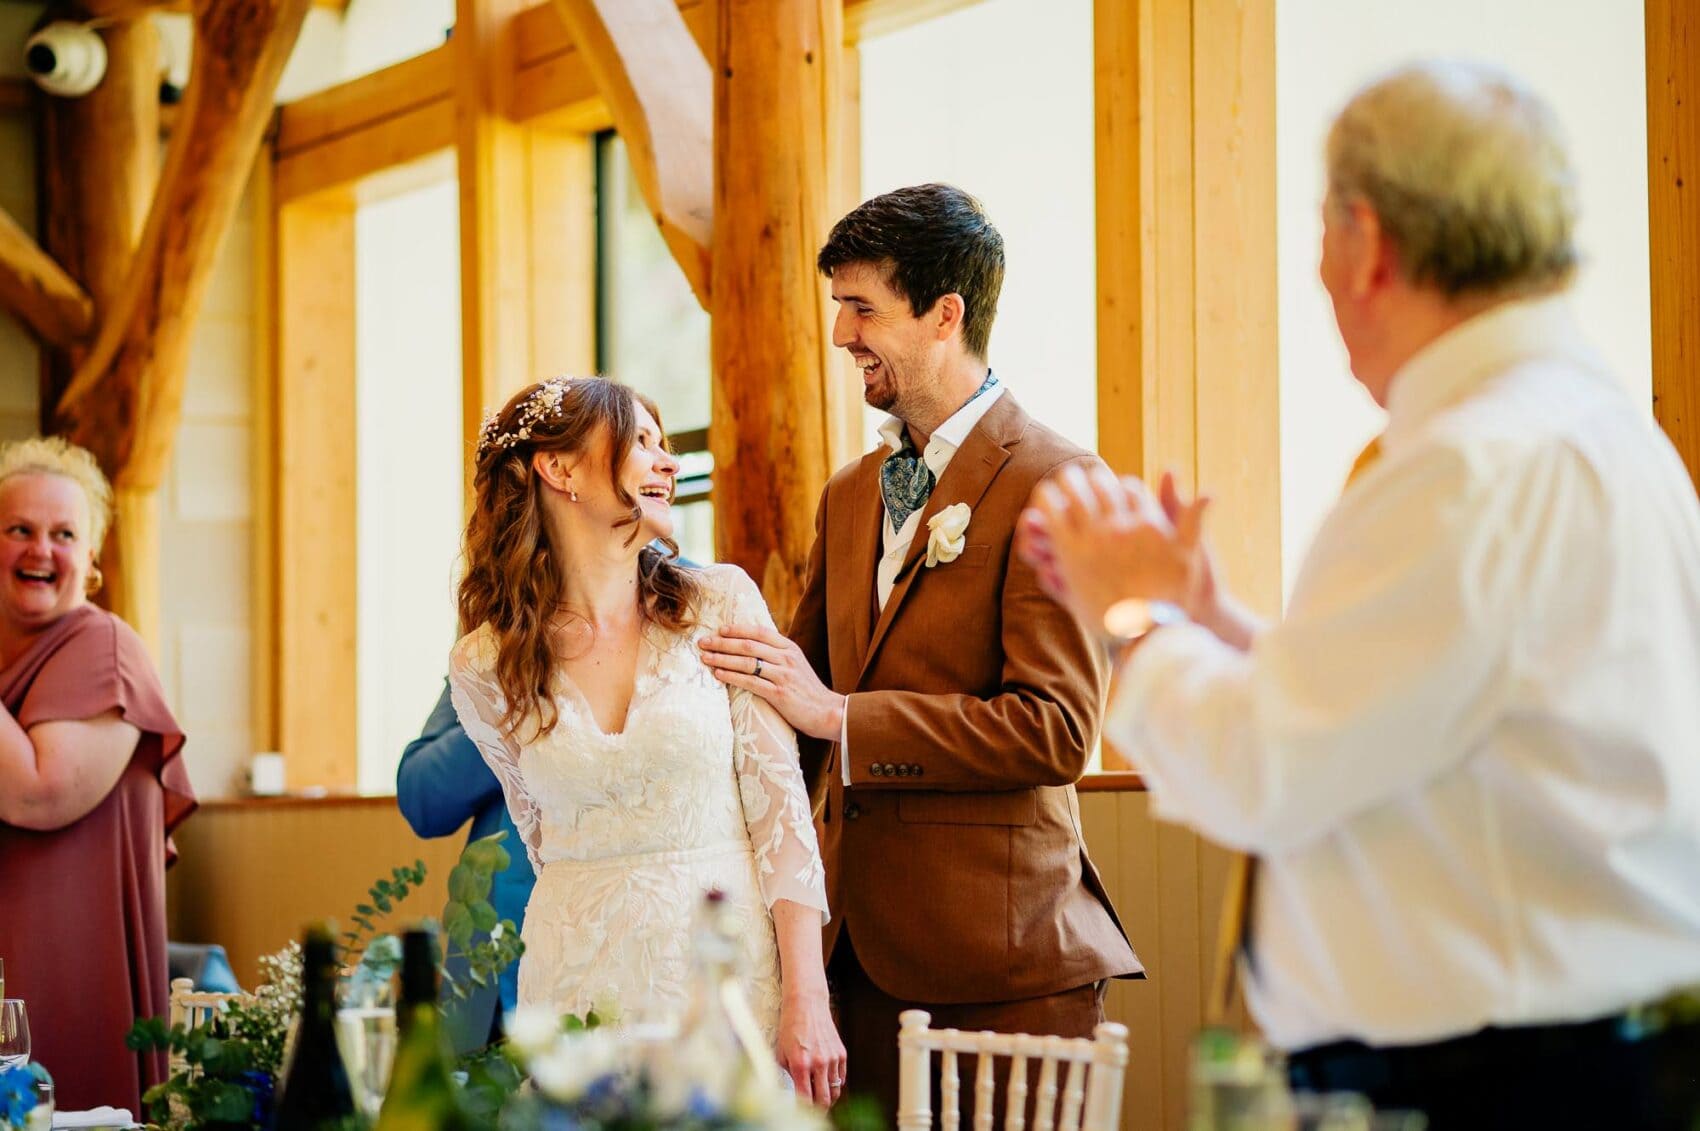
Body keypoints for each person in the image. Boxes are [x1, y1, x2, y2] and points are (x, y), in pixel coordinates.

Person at [1021, 62, 1700, 1129]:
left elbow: (1268, 768)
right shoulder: (1592, 431)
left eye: (1319, 233)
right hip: (1562, 1059)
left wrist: (1127, 620)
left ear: (1365, 243)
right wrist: (1210, 616)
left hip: (1500, 1084)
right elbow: (1419, 702)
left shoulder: (1468, 465)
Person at [699, 183, 1141, 1118]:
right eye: (838, 307)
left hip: (1002, 970)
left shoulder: (1058, 482)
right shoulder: (852, 493)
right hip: (845, 964)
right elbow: (792, 698)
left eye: (862, 308)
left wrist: (842, 716)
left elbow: (1056, 730)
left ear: (947, 315)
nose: (839, 335)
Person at [448, 376, 846, 1105]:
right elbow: (542, 837)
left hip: (726, 984)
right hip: (575, 988)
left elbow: (782, 818)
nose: (667, 463)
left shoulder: (719, 604)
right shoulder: (484, 663)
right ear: (559, 469)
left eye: (669, 446)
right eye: (643, 443)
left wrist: (807, 997)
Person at [0, 436, 195, 1112]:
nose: (39, 549)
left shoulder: (101, 647)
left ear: (91, 561)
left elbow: (35, 791)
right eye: (18, 529)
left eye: (62, 533)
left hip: (65, 964)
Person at [396, 681, 537, 1051]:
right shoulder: (493, 649)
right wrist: (508, 710)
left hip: (621, 961)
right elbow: (421, 797)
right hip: (485, 987)